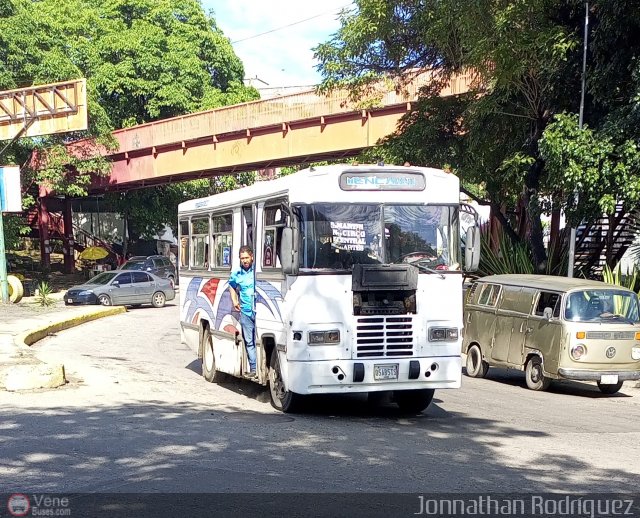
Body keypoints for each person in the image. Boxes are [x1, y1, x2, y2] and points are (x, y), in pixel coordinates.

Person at [229, 246, 256, 377]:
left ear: (252, 257)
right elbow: (232, 286)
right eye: (242, 258)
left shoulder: (257, 271)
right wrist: (235, 301)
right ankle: (254, 369)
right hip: (245, 312)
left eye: (246, 257)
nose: (245, 260)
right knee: (249, 341)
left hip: (259, 312)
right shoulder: (237, 273)